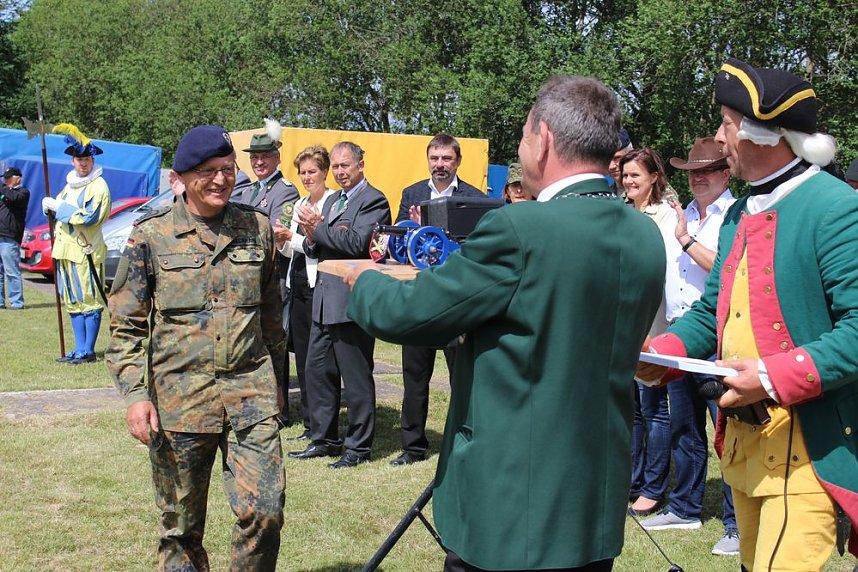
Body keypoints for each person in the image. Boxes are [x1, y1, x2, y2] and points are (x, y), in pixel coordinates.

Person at [345, 75, 666, 571]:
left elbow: (411, 314)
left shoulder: (520, 228)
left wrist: (363, 281)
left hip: (512, 506)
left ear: (546, 141)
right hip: (593, 505)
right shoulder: (644, 235)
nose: (520, 150)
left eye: (521, 137)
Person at [639, 57, 858, 570]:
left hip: (804, 448)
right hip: (744, 450)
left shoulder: (834, 207)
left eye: (727, 126)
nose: (719, 139)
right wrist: (661, 353)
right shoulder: (741, 212)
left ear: (763, 134)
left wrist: (768, 375)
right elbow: (712, 311)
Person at [106, 125, 286, 571]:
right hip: (179, 402)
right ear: (183, 177)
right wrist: (135, 396)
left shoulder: (257, 229)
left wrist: (278, 382)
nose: (221, 180)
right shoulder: (151, 236)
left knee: (265, 512)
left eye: (228, 169)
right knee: (181, 527)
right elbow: (126, 326)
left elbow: (270, 317)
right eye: (208, 171)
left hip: (251, 396)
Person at [638, 137, 739, 556]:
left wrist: (684, 240)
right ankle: (685, 507)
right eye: (692, 172)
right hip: (682, 331)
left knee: (730, 431)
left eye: (706, 170)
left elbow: (727, 270)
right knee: (684, 425)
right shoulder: (689, 212)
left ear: (725, 173)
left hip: (718, 335)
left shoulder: (736, 215)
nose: (698, 178)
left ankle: (736, 524)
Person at [287, 141, 391, 469]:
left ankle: (357, 448)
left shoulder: (373, 199)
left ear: (361, 165)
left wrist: (319, 229)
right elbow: (322, 247)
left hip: (351, 302)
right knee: (318, 373)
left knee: (356, 379)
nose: (341, 172)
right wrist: (310, 236)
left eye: (346, 165)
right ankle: (324, 440)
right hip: (323, 299)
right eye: (336, 166)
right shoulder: (335, 202)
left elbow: (359, 243)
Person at [392, 133, 485, 466]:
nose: (440, 165)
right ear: (428, 160)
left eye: (447, 159)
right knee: (414, 375)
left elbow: (477, 250)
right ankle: (413, 446)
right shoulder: (412, 194)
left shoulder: (474, 198)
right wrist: (413, 231)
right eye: (435, 158)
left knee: (462, 376)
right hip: (420, 298)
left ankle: (465, 441)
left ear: (457, 161)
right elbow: (401, 249)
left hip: (455, 300)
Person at [232, 118, 299, 426]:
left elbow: (272, 235)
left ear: (277, 158)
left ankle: (279, 408)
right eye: (254, 157)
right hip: (247, 282)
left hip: (272, 280)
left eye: (265, 156)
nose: (259, 162)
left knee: (275, 346)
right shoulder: (247, 191)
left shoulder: (284, 191)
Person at [621, 147, 676, 518]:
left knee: (654, 410)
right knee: (633, 411)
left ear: (654, 178)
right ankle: (633, 479)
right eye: (625, 175)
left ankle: (654, 487)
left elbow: (662, 270)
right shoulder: (621, 213)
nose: (628, 181)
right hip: (622, 323)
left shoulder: (666, 216)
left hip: (652, 323)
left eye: (635, 176)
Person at [273, 145, 336, 441]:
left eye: (312, 171)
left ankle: (321, 423)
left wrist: (292, 239)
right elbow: (292, 248)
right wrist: (281, 240)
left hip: (318, 285)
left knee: (317, 360)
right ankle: (310, 423)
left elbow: (317, 245)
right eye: (303, 172)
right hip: (296, 282)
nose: (307, 177)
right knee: (302, 359)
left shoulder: (332, 203)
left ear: (325, 171)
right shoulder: (299, 202)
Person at [42, 124, 111, 365]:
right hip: (65, 251)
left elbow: (90, 216)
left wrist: (59, 208)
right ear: (72, 161)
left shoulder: (98, 186)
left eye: (87, 159)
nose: (83, 163)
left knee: (90, 298)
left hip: (87, 252)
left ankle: (89, 349)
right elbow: (59, 209)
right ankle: (78, 347)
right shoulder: (69, 185)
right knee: (72, 299)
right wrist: (49, 207)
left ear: (92, 161)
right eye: (79, 159)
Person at [0, 167, 29, 310]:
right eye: (4, 178)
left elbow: (12, 197)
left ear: (18, 178)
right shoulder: (5, 191)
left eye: (8, 178)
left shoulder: (22, 192)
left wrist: (2, 187)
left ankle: (17, 302)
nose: (5, 180)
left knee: (11, 271)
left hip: (10, 237)